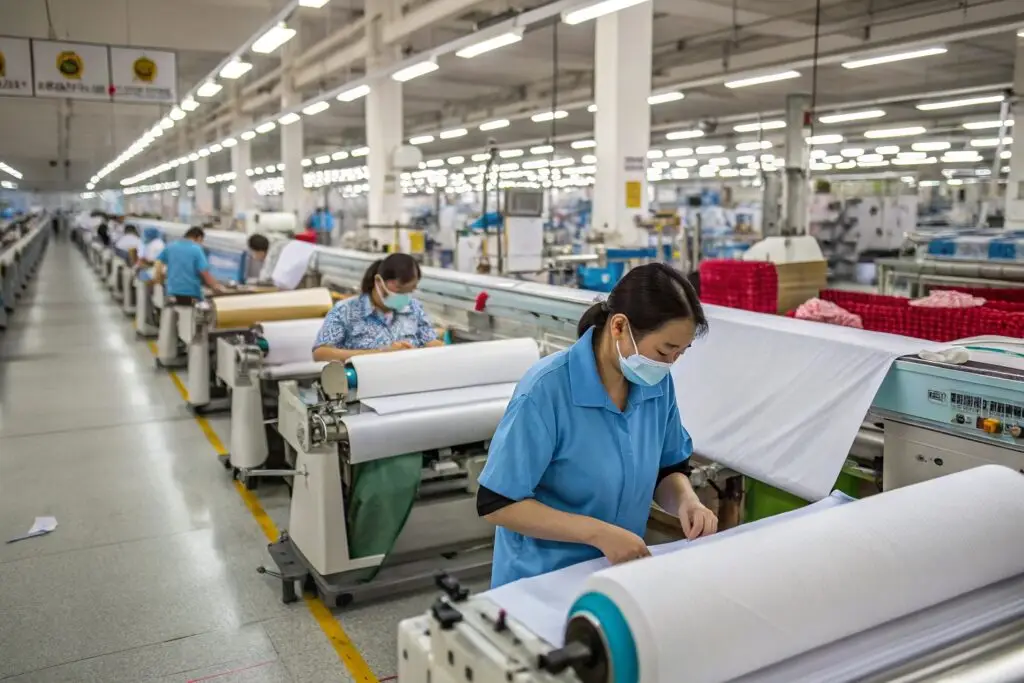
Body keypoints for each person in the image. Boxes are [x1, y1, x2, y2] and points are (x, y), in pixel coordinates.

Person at [476, 263, 719, 588]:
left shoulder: (656, 385)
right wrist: (599, 534)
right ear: (619, 326)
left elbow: (667, 469)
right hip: (540, 581)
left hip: (618, 575)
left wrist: (687, 501)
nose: (670, 363)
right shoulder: (547, 390)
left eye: (680, 352)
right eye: (664, 350)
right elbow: (497, 503)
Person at [312, 253, 443, 363]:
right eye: (399, 290)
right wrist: (380, 353)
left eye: (408, 291)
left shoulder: (414, 308)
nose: (403, 297)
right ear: (379, 282)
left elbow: (430, 342)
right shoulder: (345, 311)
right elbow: (320, 354)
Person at [156, 226, 224, 301]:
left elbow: (158, 265)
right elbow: (204, 272)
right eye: (201, 241)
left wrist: (159, 281)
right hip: (190, 293)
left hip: (171, 291)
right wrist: (216, 286)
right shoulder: (196, 249)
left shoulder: (170, 246)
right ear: (199, 238)